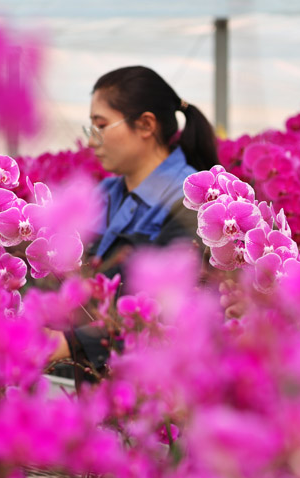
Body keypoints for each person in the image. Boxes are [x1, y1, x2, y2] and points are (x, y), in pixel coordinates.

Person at [50, 65, 219, 369]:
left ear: (145, 125)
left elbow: (165, 310)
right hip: (94, 380)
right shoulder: (104, 193)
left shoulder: (192, 201)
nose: (91, 142)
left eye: (100, 126)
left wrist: (69, 343)